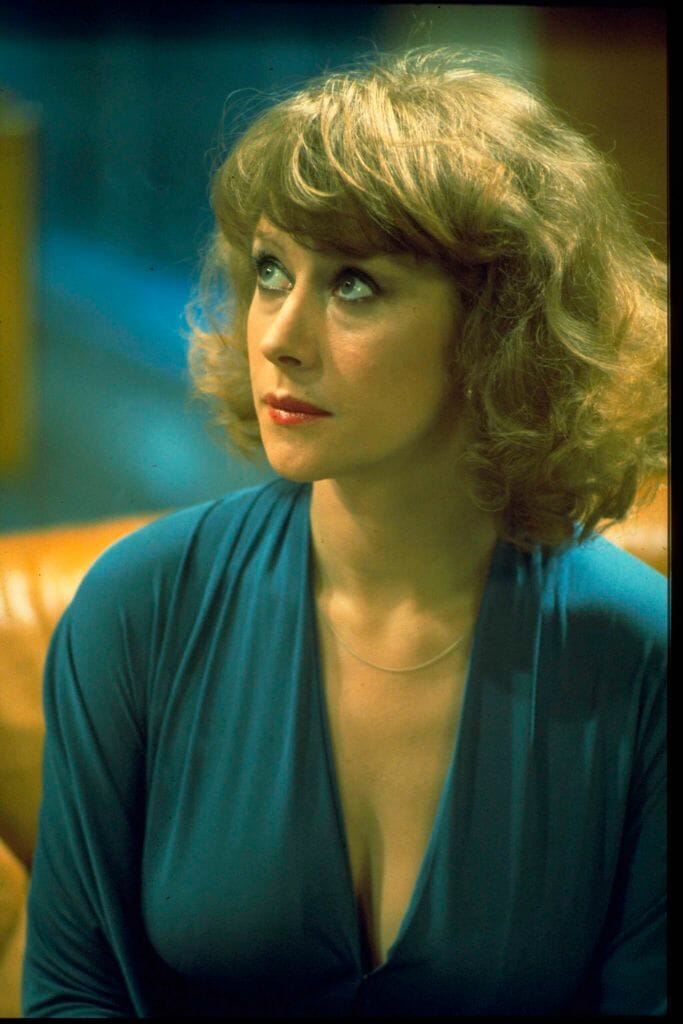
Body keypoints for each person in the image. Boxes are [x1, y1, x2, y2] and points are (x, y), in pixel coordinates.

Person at [22, 48, 667, 1016]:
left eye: (354, 284)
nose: (278, 335)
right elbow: (73, 991)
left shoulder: (639, 655)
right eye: (270, 271)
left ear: (498, 326)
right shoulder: (139, 610)